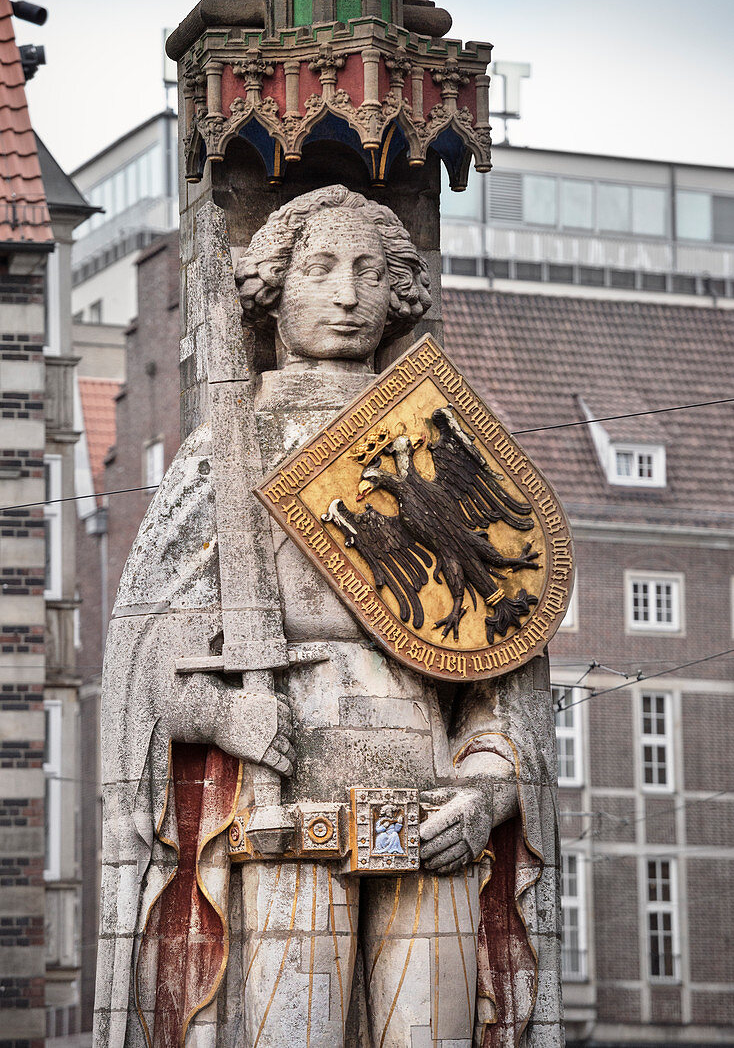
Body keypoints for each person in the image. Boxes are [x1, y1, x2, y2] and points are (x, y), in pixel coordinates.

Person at [94, 186, 561, 1048]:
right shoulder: (231, 444)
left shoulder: (440, 441)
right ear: (276, 285)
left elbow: (503, 658)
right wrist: (226, 713)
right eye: (320, 268)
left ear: (399, 292)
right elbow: (153, 649)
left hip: (433, 806)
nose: (347, 293)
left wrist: (489, 790)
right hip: (287, 800)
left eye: (370, 270)